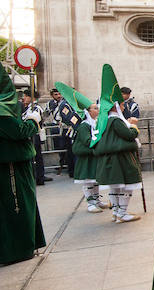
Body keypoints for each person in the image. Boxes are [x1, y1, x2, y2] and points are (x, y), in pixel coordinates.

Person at [1, 68, 46, 265]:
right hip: (10, 166)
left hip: (13, 163)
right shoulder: (2, 112)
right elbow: (17, 131)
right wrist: (33, 121)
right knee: (17, 207)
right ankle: (17, 249)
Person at [92, 64, 143, 223]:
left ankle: (116, 212)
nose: (123, 106)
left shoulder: (104, 121)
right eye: (121, 105)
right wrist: (134, 126)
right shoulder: (115, 120)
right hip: (120, 159)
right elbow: (128, 135)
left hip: (110, 159)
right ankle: (122, 212)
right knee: (126, 186)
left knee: (115, 187)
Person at [54, 82, 107, 213]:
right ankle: (90, 203)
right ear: (88, 112)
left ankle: (96, 200)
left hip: (93, 155)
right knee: (88, 181)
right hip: (86, 157)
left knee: (95, 180)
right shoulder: (84, 126)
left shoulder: (95, 124)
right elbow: (88, 141)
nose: (97, 110)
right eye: (95, 108)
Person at [20, 89, 50, 184]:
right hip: (30, 135)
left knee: (36, 157)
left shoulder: (35, 108)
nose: (23, 98)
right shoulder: (27, 108)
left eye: (25, 96)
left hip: (35, 135)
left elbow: (33, 120)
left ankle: (39, 177)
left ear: (31, 97)